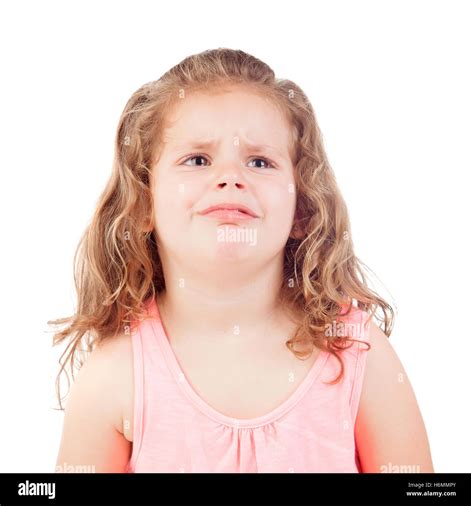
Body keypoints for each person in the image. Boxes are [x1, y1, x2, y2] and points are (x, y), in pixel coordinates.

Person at [51, 48, 434, 473]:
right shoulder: (114, 373)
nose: (231, 176)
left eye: (259, 161)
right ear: (143, 203)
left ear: (303, 209)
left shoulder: (359, 355)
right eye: (197, 159)